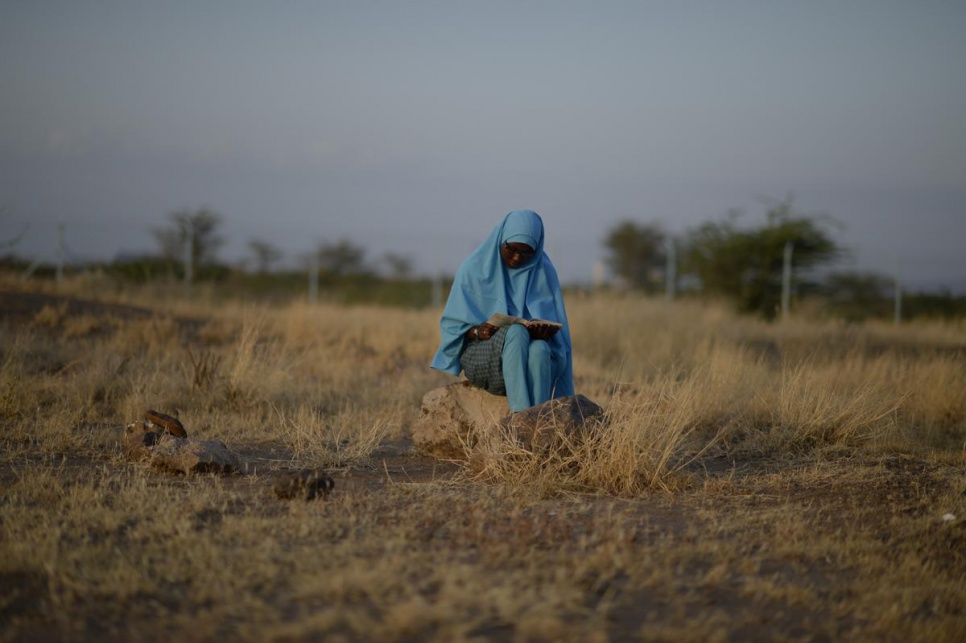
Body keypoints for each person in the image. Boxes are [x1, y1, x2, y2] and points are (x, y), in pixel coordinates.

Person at [431, 209, 574, 412]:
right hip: (482, 358)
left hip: (527, 357)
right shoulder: (472, 269)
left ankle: (541, 418)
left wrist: (545, 333)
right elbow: (453, 327)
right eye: (512, 249)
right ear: (501, 240)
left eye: (527, 253)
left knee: (541, 349)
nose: (517, 258)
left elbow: (558, 330)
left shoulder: (544, 271)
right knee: (515, 331)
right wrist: (477, 331)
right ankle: (519, 417)